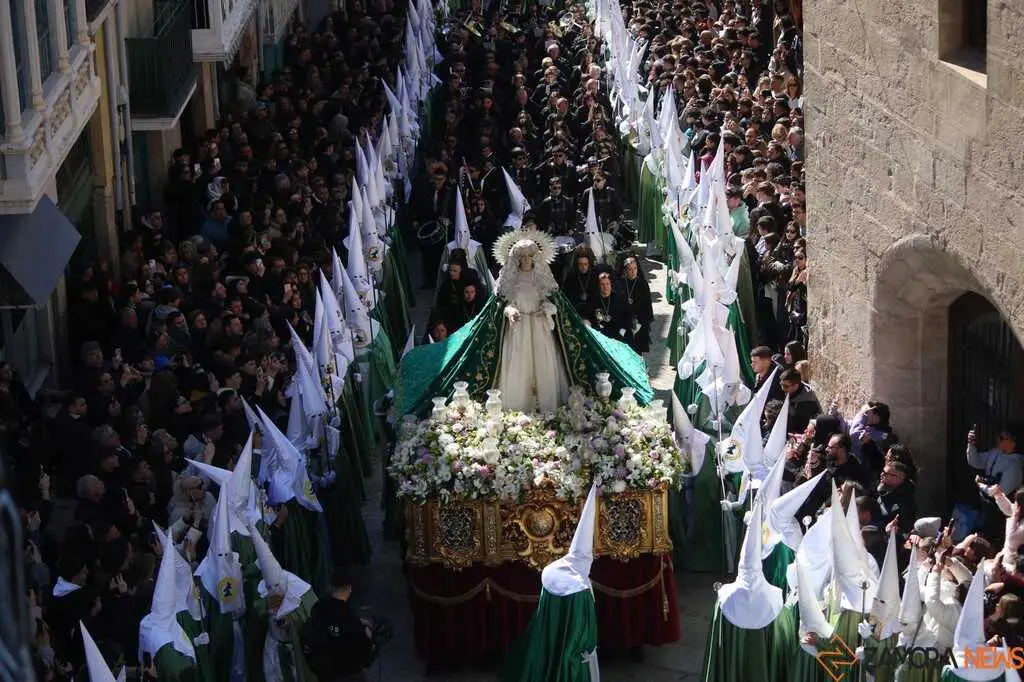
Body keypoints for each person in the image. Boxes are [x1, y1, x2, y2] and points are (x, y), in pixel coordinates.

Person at [494, 232, 570, 413]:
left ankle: (546, 406)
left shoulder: (541, 277)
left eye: (530, 255)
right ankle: (518, 407)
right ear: (516, 258)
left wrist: (547, 308)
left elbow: (551, 301)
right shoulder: (510, 279)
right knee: (519, 366)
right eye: (523, 255)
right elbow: (505, 304)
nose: (527, 259)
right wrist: (510, 311)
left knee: (543, 364)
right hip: (519, 328)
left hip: (538, 327)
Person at [301, 566, 374, 682]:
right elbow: (364, 652)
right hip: (347, 674)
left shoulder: (318, 608)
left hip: (324, 672)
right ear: (349, 589)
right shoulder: (350, 618)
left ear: (330, 587)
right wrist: (367, 633)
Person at [969, 428, 1024, 541]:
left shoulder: (1015, 465)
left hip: (998, 509)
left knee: (991, 539)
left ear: (1013, 443)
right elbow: (976, 461)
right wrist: (971, 445)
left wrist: (980, 484)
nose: (998, 440)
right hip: (985, 501)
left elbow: (1000, 492)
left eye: (1003, 438)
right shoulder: (996, 452)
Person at [618, 256, 653, 356]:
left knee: (637, 352)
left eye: (635, 268)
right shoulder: (621, 284)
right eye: (629, 269)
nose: (633, 272)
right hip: (625, 323)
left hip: (639, 323)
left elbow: (647, 306)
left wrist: (641, 323)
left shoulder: (643, 284)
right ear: (625, 270)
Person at [779, 368, 821, 433]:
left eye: (785, 386)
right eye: (781, 384)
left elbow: (800, 426)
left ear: (795, 386)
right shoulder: (790, 391)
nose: (782, 388)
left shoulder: (807, 402)